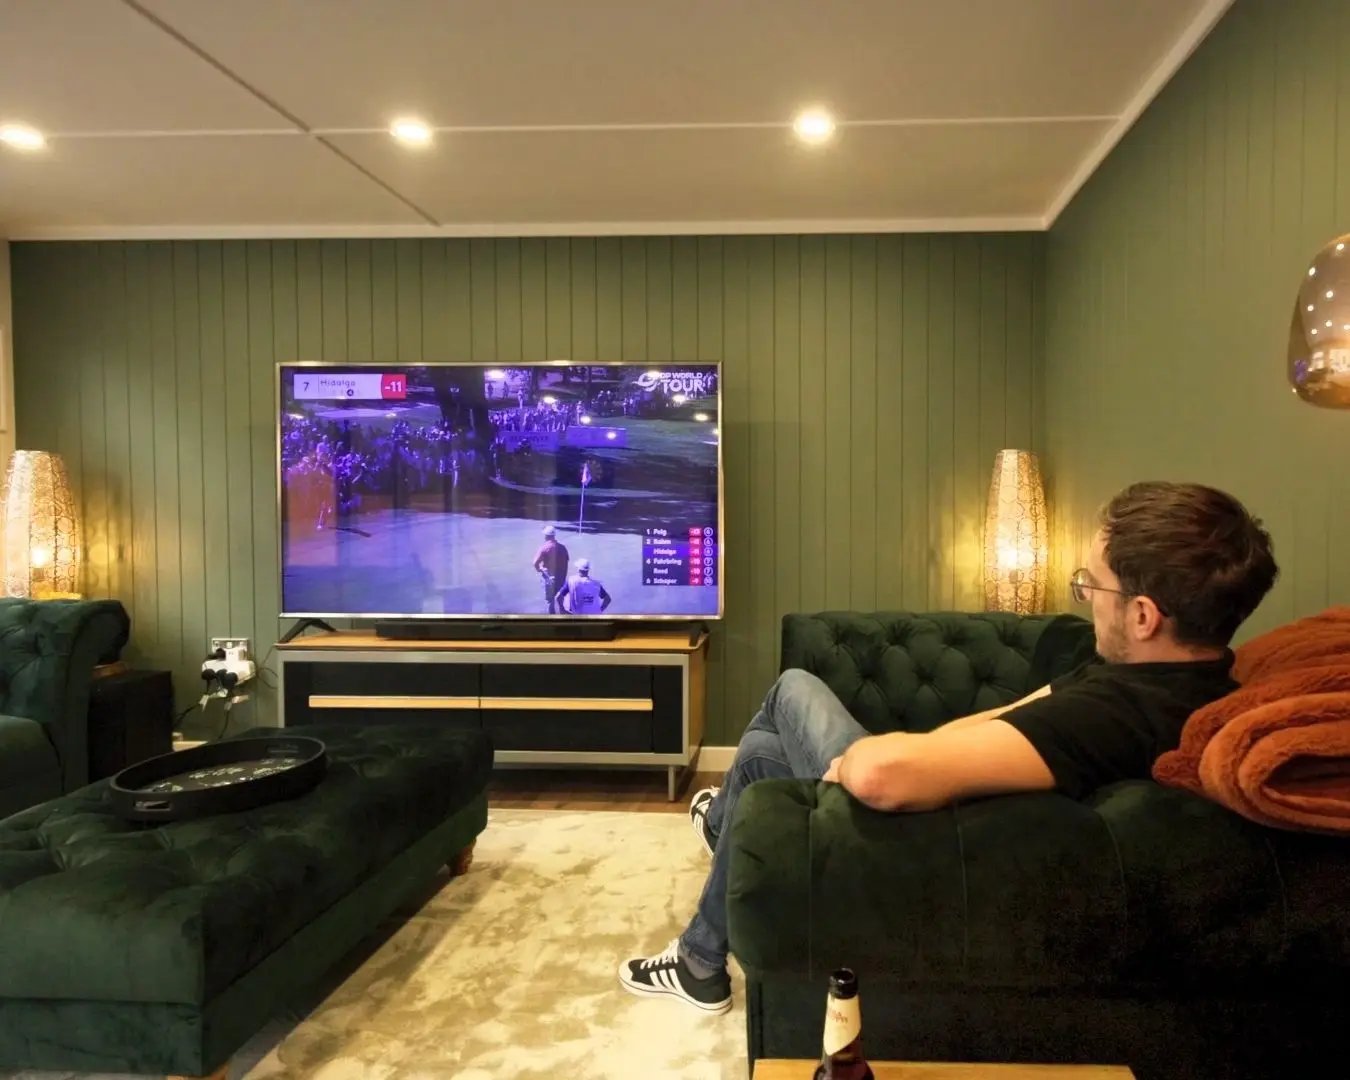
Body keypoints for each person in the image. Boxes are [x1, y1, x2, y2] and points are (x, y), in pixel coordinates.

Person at [618, 481, 1279, 1014]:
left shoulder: (1116, 714)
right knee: (762, 756)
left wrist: (868, 759)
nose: (1084, 598)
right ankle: (712, 899)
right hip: (936, 797)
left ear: (1143, 615)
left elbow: (882, 777)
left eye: (1092, 585)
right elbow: (1017, 711)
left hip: (918, 839)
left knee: (790, 690)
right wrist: (927, 748)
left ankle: (703, 948)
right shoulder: (1157, 676)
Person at [532, 525, 569, 614]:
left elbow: (535, 563)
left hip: (549, 577)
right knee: (560, 597)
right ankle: (562, 615)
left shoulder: (544, 548)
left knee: (550, 600)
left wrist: (539, 569)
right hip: (561, 577)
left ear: (546, 536)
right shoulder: (562, 548)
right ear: (554, 535)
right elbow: (566, 561)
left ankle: (552, 618)